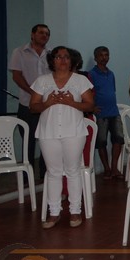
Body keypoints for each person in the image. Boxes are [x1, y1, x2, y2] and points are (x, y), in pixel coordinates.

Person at [29, 46, 94, 228]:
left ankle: (75, 211)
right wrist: (47, 103)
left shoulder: (80, 80)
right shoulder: (42, 81)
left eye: (66, 57)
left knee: (73, 171)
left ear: (72, 61)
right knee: (53, 172)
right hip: (48, 132)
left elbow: (90, 105)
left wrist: (71, 102)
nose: (63, 60)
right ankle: (54, 212)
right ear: (52, 60)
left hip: (73, 132)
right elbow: (33, 107)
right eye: (58, 57)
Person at [8, 23, 51, 178]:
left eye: (47, 34)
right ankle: (28, 177)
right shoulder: (19, 52)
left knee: (47, 140)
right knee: (28, 141)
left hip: (47, 105)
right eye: (41, 33)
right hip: (27, 104)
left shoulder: (51, 54)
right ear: (32, 34)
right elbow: (17, 76)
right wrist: (33, 93)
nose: (44, 36)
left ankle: (45, 175)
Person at [88, 46, 125, 180]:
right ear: (95, 58)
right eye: (101, 55)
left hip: (114, 112)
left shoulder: (111, 74)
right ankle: (107, 169)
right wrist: (92, 108)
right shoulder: (91, 74)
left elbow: (111, 91)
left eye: (106, 55)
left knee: (118, 139)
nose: (104, 58)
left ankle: (114, 167)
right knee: (101, 142)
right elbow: (88, 93)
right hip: (101, 114)